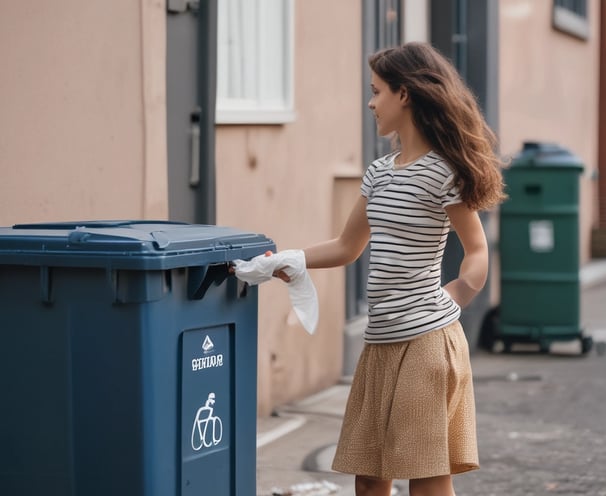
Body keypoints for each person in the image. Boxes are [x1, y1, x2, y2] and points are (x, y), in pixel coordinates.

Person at [272, 42, 506, 496]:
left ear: (404, 95)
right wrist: (290, 259)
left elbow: (477, 251)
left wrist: (454, 296)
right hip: (379, 343)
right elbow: (346, 245)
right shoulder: (379, 173)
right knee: (368, 477)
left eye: (376, 91)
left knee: (427, 477)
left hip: (424, 344)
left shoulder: (443, 173)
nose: (370, 102)